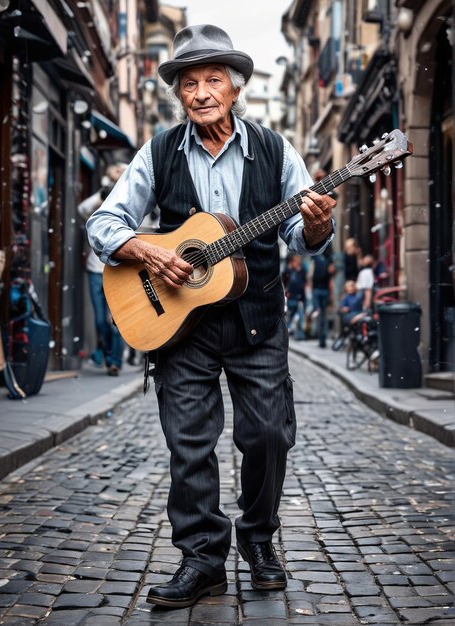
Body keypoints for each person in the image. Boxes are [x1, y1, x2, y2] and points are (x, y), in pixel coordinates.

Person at [86, 24, 335, 609]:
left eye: (212, 80)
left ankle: (259, 540)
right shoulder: (160, 150)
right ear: (178, 93)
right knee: (189, 444)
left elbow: (302, 232)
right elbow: (104, 222)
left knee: (268, 435)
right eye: (189, 82)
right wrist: (148, 250)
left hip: (256, 320)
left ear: (235, 87)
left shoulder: (274, 150)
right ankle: (201, 560)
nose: (200, 92)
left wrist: (318, 224)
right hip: (181, 326)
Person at [78, 163, 127, 376]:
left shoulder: (131, 196)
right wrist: (103, 194)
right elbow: (82, 210)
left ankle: (115, 361)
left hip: (120, 270)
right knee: (100, 320)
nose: (120, 174)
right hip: (96, 269)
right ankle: (109, 357)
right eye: (117, 171)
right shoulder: (103, 195)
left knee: (115, 319)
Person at [311, 248, 334, 348]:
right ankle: (322, 339)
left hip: (318, 290)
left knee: (320, 315)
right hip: (323, 290)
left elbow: (311, 274)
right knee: (322, 316)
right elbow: (331, 275)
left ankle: (321, 339)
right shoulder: (329, 259)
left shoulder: (315, 257)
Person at [282, 254, 307, 339]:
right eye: (296, 260)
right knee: (291, 314)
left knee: (300, 315)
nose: (297, 261)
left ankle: (300, 335)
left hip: (300, 296)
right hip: (291, 296)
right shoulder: (289, 270)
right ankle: (287, 330)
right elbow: (284, 279)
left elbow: (304, 282)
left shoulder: (302, 270)